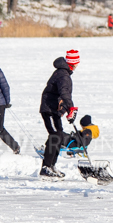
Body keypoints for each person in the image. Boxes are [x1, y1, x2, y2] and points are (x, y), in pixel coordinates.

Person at [39, 49, 79, 178]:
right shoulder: (63, 75)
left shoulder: (63, 73)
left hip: (54, 109)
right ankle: (46, 167)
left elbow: (61, 96)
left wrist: (64, 110)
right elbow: (64, 93)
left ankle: (51, 166)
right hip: (49, 109)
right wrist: (71, 109)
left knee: (58, 135)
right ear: (74, 63)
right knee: (55, 136)